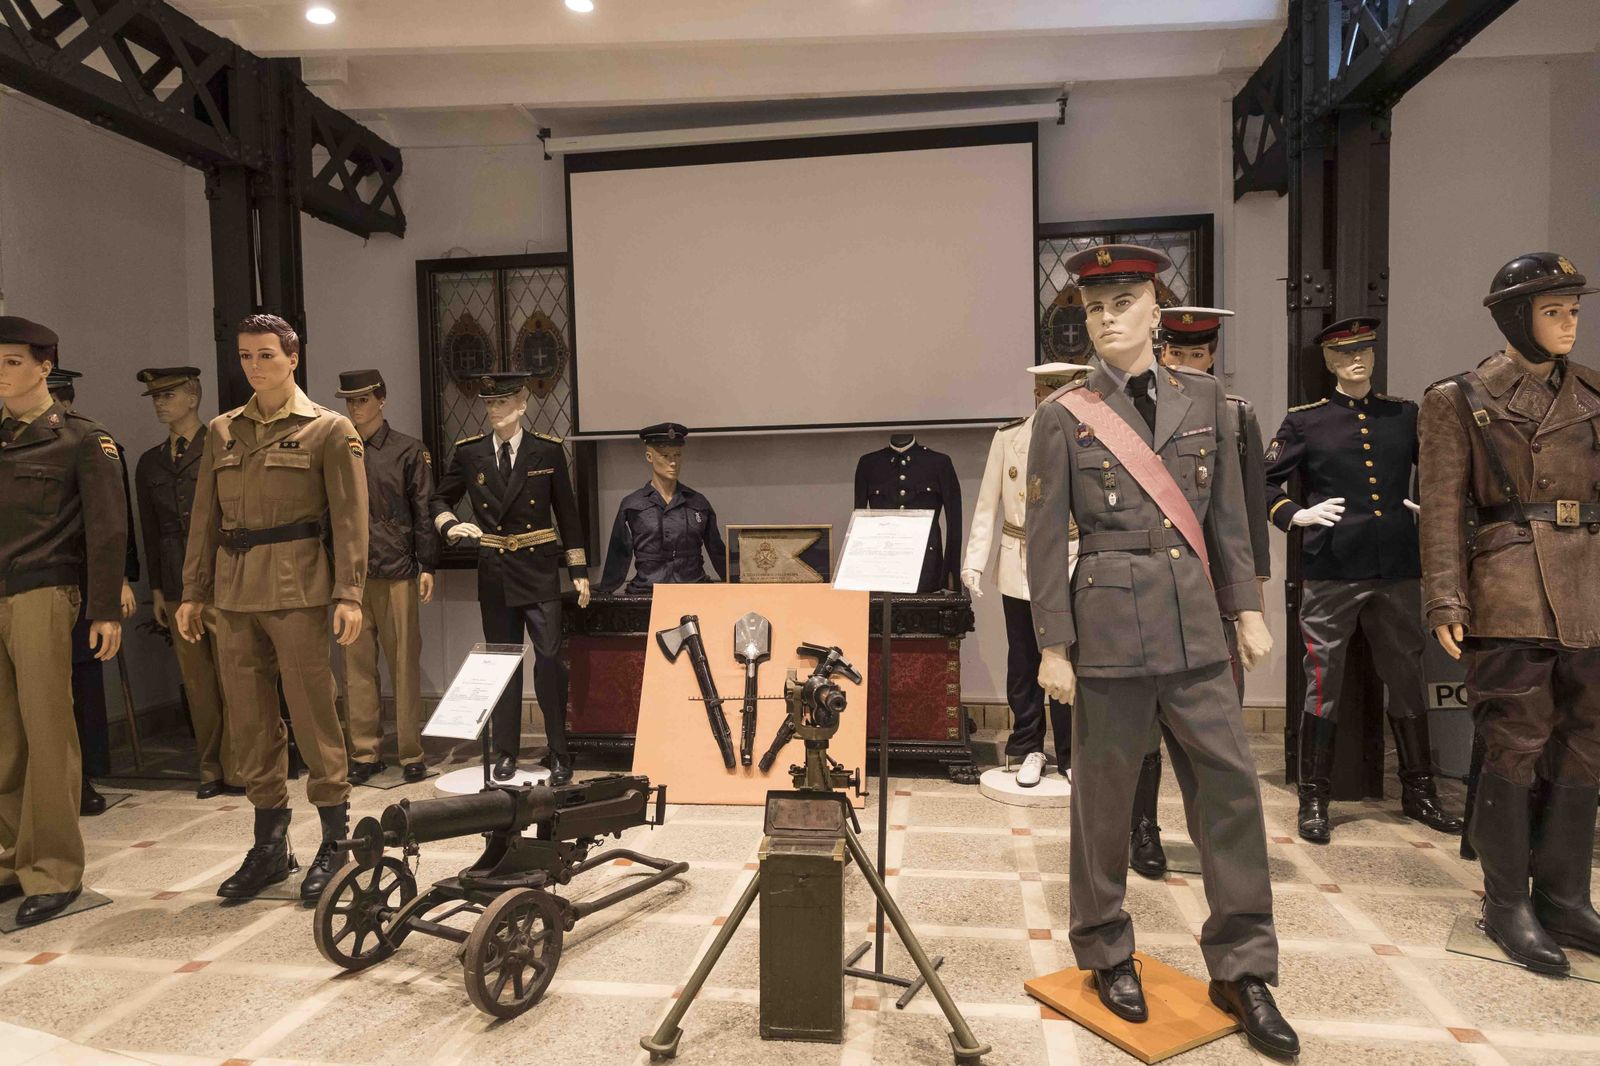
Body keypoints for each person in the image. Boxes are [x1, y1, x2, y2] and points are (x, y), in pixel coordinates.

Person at [1026, 245, 1296, 1058]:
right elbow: (1045, 544)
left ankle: (1243, 966)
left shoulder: (1212, 400)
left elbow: (1227, 522)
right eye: (1096, 306)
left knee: (1230, 793)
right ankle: (1105, 946)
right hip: (1105, 624)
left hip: (1195, 627)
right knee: (1103, 801)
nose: (1108, 318)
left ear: (1156, 308)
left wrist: (1245, 609)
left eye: (1124, 301)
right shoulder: (1063, 415)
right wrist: (1052, 646)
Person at [1418, 251, 1600, 976]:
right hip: (1510, 582)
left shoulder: (1591, 393)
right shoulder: (1460, 398)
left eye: (1575, 309)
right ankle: (1505, 900)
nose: (1569, 323)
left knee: (1586, 738)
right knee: (1515, 738)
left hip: (1587, 585)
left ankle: (1562, 892)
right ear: (1514, 317)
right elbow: (1441, 508)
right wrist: (1444, 595)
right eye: (1553, 311)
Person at [178, 313, 368, 902]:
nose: (254, 367)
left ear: (293, 358)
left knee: (314, 713)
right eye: (245, 357)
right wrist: (192, 590)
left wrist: (350, 592)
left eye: (265, 355)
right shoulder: (222, 432)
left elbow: (350, 519)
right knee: (250, 719)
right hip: (234, 595)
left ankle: (335, 840)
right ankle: (270, 845)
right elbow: (204, 519)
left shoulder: (329, 430)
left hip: (298, 588)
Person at [1264, 316, 1461, 844]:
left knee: (1407, 672)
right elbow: (1262, 482)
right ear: (1327, 361)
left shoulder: (1403, 415)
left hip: (1396, 565)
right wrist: (1293, 515)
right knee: (1323, 681)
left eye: (1365, 350)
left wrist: (1435, 507)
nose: (1357, 359)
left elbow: (1443, 469)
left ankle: (1419, 792)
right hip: (1332, 567)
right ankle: (1314, 798)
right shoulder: (1307, 421)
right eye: (1344, 352)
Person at [1128, 307, 1271, 878]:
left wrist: (1249, 604)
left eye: (1198, 354)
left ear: (1212, 355)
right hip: (1150, 585)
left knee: (1214, 726)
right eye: (1177, 353)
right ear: (1161, 351)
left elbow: (1245, 512)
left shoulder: (1232, 414)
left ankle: (1217, 839)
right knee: (1139, 720)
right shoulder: (1130, 413)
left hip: (1211, 588)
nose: (1188, 363)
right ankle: (1143, 827)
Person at [0, 317, 126, 925]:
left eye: (12, 362)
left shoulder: (81, 439)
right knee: (2, 736)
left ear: (45, 367)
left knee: (47, 732)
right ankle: (10, 859)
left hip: (44, 592)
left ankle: (53, 868)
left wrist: (105, 609)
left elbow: (107, 530)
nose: (1, 373)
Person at [431, 373, 589, 784]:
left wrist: (578, 571)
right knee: (502, 663)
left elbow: (567, 514)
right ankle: (506, 751)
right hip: (496, 569)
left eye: (501, 403)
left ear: (522, 404)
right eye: (488, 405)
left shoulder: (547, 451)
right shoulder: (470, 454)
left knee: (550, 659)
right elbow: (439, 497)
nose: (494, 411)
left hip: (538, 568)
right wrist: (449, 525)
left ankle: (558, 751)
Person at [961, 362, 1089, 788]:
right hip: (1019, 560)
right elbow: (987, 505)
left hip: (1074, 558)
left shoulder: (1090, 437)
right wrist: (974, 561)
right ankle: (1028, 745)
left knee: (1070, 657)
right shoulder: (1009, 438)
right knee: (1024, 658)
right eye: (1044, 392)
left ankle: (1072, 753)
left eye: (1059, 391)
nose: (1049, 399)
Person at [134, 366, 243, 799]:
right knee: (197, 683)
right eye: (155, 397)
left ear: (193, 396)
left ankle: (239, 767)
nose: (160, 403)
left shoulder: (223, 447)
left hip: (222, 578)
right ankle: (210, 769)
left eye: (169, 394)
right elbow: (151, 529)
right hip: (179, 585)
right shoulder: (150, 463)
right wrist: (158, 590)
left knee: (236, 677)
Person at [336, 369, 437, 784]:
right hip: (354, 577)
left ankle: (411, 752)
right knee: (356, 667)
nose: (354, 408)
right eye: (349, 401)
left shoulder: (408, 451)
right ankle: (364, 752)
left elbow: (424, 510)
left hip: (398, 569)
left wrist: (427, 564)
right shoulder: (338, 448)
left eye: (362, 399)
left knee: (403, 664)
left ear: (381, 399)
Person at [45, 367, 139, 816]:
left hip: (81, 581)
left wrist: (117, 580)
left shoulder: (92, 445)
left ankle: (83, 778)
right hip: (30, 581)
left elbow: (114, 526)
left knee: (80, 687)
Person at [597, 423, 726, 594]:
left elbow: (717, 552)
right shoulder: (632, 505)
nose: (673, 462)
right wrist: (605, 591)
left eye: (677, 455)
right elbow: (618, 553)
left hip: (694, 590)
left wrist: (740, 583)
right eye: (665, 456)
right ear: (649, 457)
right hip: (648, 592)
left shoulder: (698, 503)